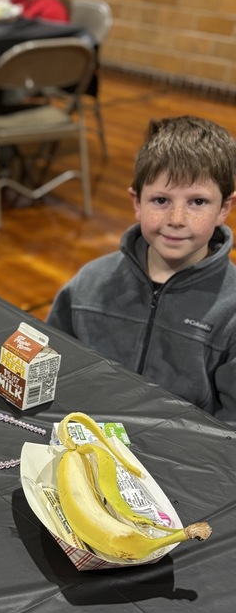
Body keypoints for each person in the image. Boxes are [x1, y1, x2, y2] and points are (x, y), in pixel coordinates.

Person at [47, 115, 236, 422]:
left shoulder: (231, 310)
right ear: (137, 202)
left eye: (197, 202)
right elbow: (51, 365)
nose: (176, 218)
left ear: (224, 209)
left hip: (182, 458)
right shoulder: (90, 284)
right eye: (161, 200)